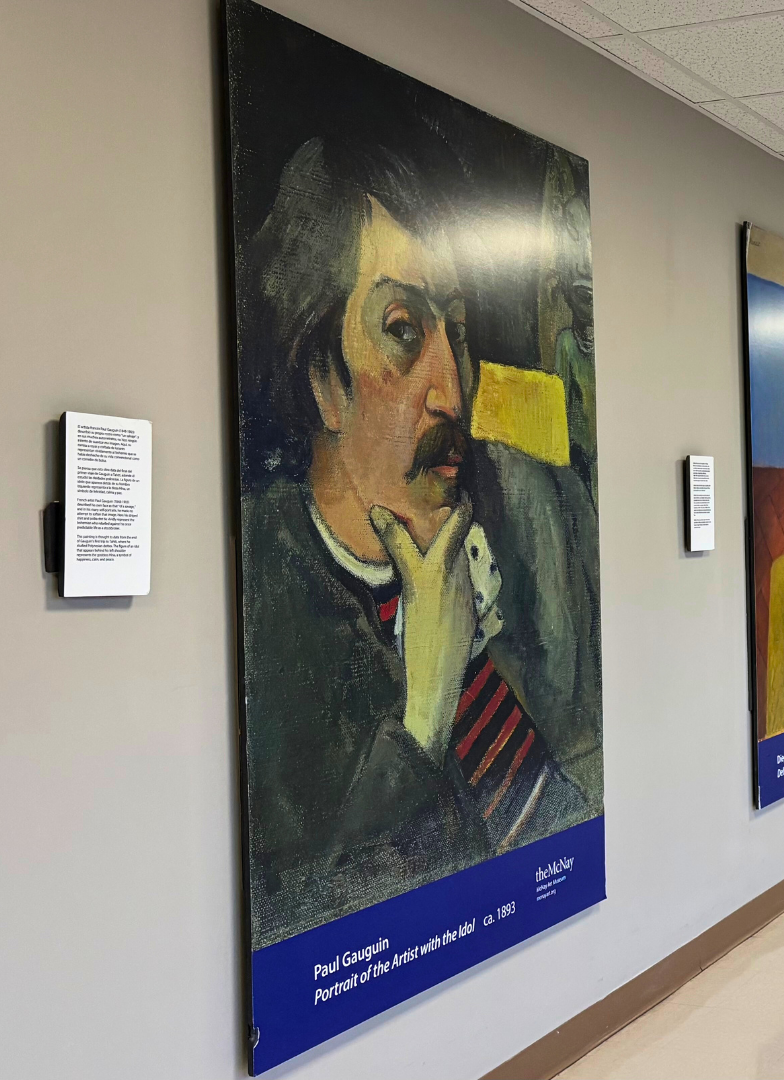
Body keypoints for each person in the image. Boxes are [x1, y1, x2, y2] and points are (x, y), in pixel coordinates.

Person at [236, 136, 591, 950]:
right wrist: (426, 710)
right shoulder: (264, 601)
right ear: (322, 381)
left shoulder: (529, 509)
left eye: (455, 333)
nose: (452, 392)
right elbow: (323, 924)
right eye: (402, 330)